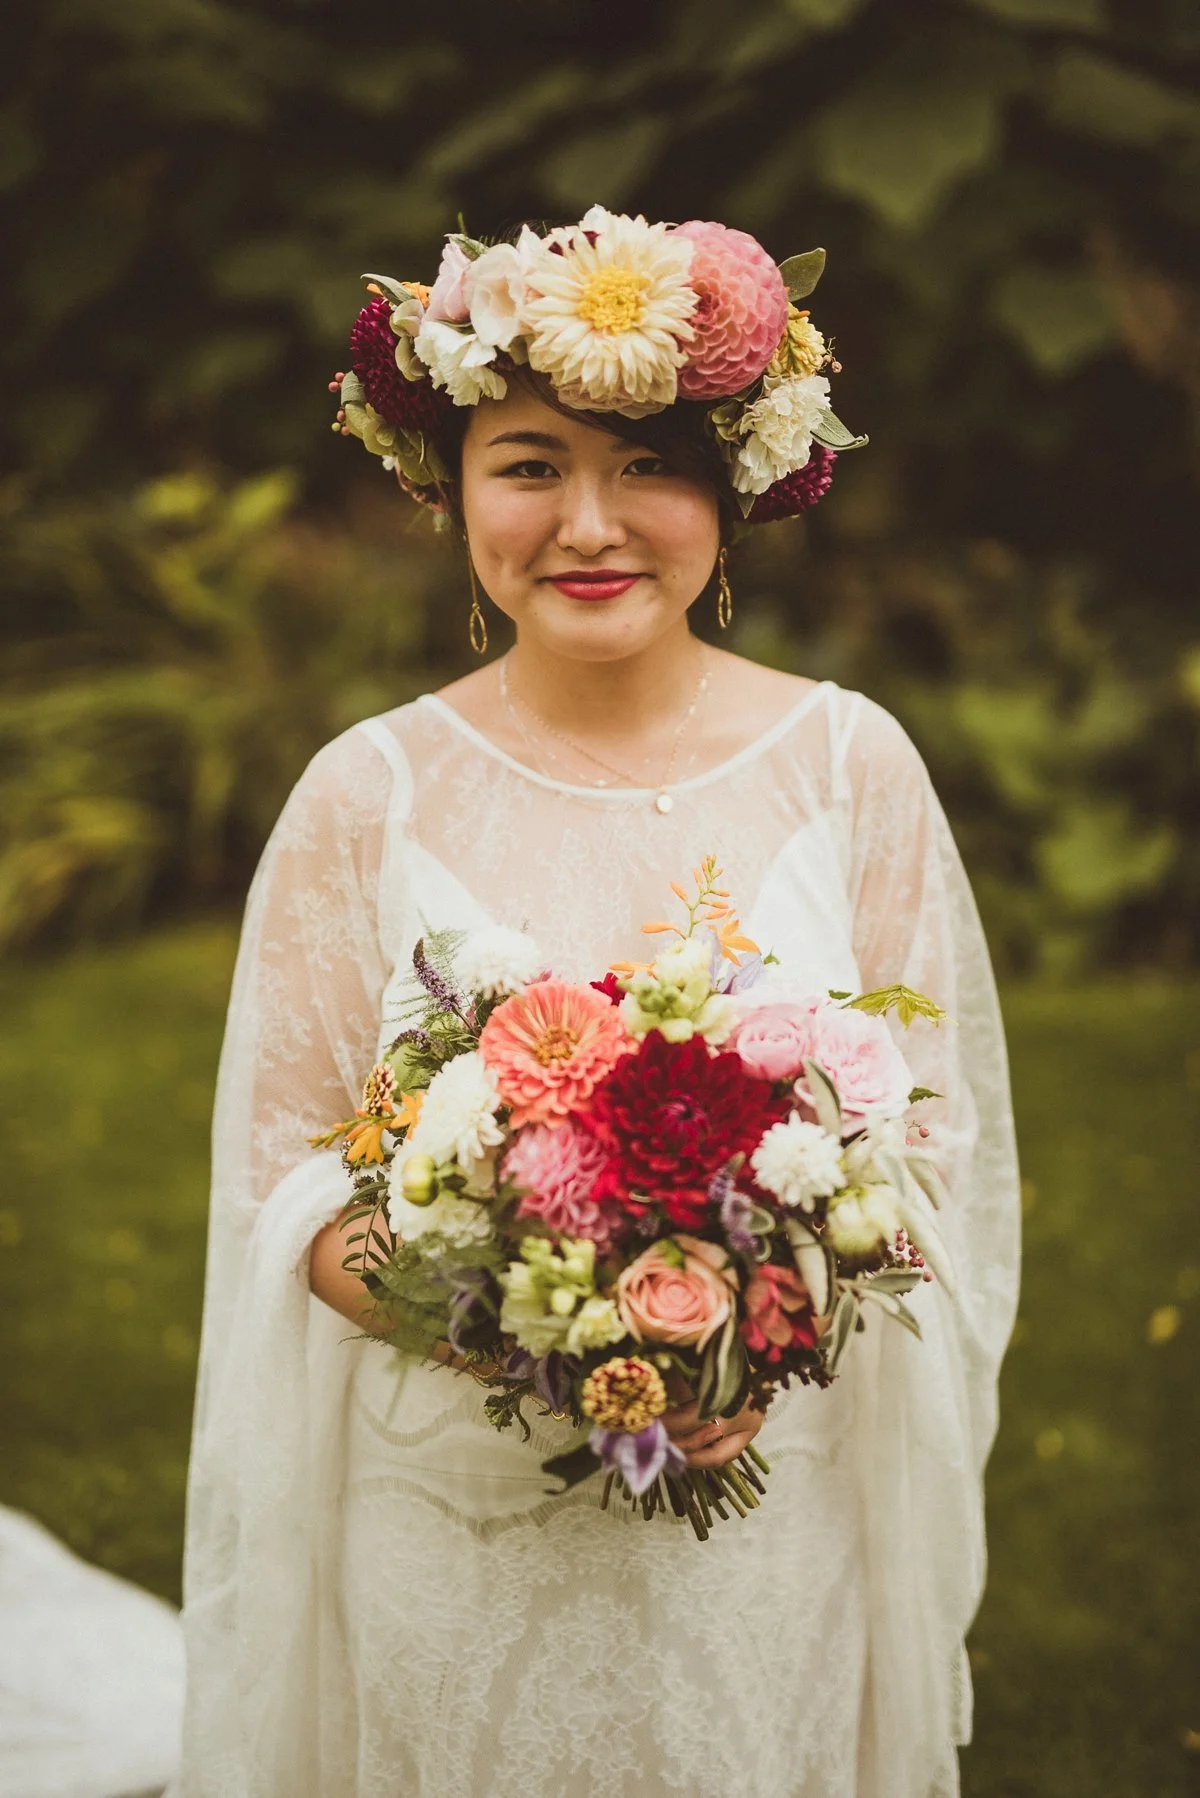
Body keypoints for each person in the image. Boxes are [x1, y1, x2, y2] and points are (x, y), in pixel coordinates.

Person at [172, 209, 1021, 1797]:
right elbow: (278, 1177)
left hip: (774, 1505)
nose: (589, 522)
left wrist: (752, 1331)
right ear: (447, 487)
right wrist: (541, 1328)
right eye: (530, 462)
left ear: (740, 482)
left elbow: (936, 1126)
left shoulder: (852, 762)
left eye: (649, 463)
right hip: (456, 1512)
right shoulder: (367, 794)